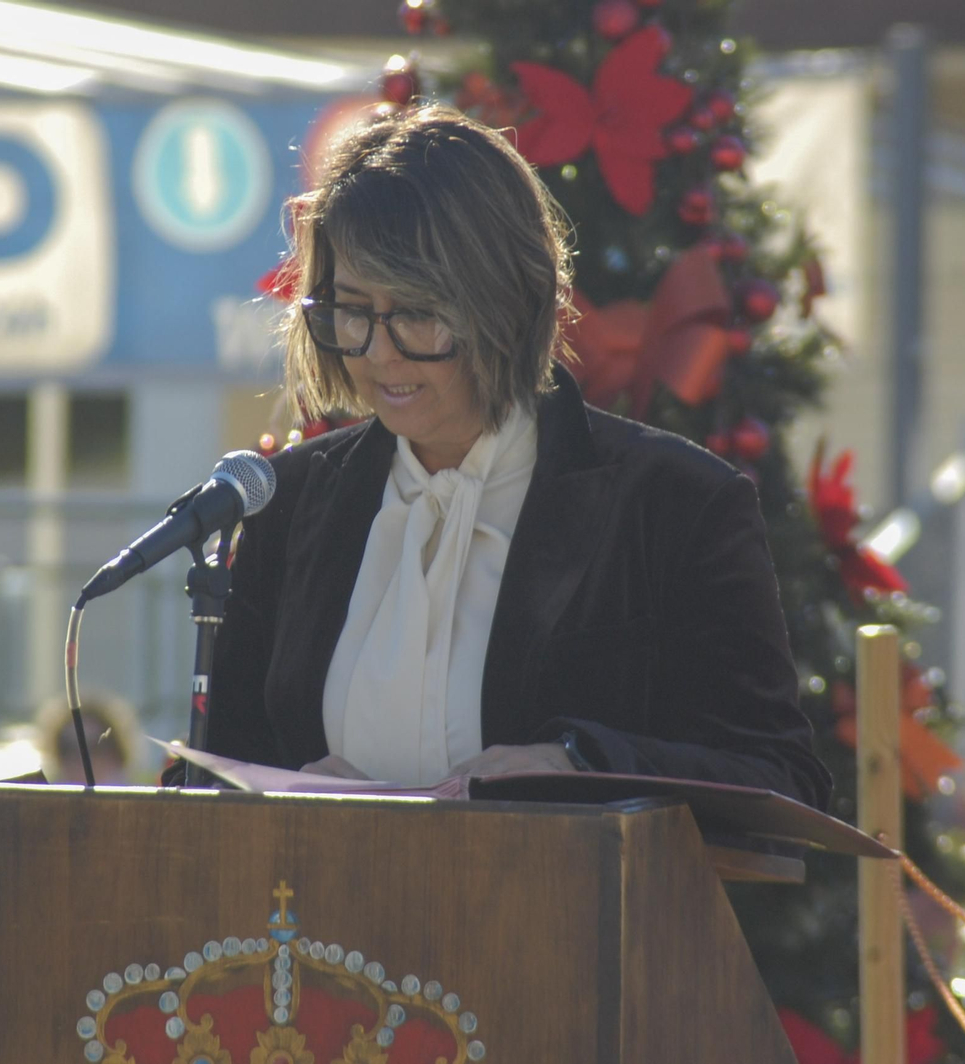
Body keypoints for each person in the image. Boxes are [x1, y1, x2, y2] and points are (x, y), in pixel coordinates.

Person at [204, 105, 830, 808]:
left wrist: (579, 764)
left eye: (416, 312)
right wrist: (283, 797)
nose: (378, 352)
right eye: (351, 310)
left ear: (503, 301)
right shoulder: (287, 504)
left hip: (576, 919)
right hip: (322, 918)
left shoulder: (676, 503)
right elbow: (219, 774)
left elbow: (780, 779)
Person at [35, 690, 142, 785]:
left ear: (117, 754)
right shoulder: (45, 805)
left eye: (95, 747)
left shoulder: (142, 804)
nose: (80, 760)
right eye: (68, 748)